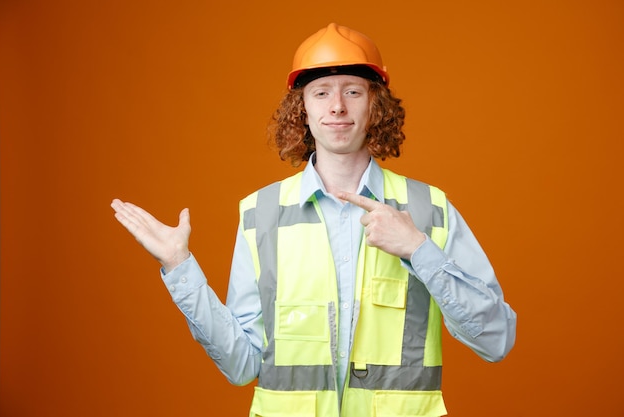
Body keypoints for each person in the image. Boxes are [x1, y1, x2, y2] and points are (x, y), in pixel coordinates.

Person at [111, 23, 516, 417]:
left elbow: (496, 339)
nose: (337, 106)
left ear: (376, 106)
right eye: (321, 93)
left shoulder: (429, 209)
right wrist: (179, 267)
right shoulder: (261, 213)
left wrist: (419, 250)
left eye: (352, 92)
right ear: (301, 109)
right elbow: (241, 365)